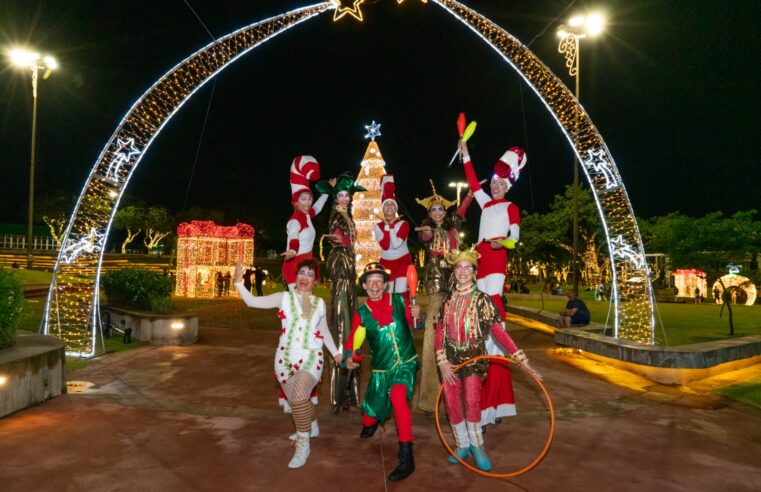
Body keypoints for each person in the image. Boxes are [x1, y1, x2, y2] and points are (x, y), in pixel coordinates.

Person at [436, 246, 542, 471]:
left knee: (473, 401)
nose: (463, 271)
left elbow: (499, 332)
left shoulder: (482, 300)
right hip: (450, 363)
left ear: (474, 272)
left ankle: (477, 446)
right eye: (459, 267)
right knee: (452, 404)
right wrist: (442, 361)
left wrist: (522, 359)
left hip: (474, 361)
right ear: (454, 271)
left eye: (468, 268)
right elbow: (440, 332)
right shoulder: (447, 300)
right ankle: (463, 445)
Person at [234, 259, 342, 469]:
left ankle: (303, 444)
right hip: (284, 359)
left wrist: (336, 353)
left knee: (300, 395)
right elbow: (253, 302)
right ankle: (312, 424)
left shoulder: (319, 303)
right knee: (296, 402)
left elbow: (324, 331)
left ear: (315, 281)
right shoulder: (283, 298)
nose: (305, 277)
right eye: (302, 272)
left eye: (310, 274)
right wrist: (239, 283)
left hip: (312, 357)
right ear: (296, 276)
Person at [460, 139, 527, 427]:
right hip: (480, 258)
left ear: (508, 185)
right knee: (478, 317)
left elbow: (515, 236)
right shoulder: (485, 203)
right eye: (494, 182)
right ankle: (483, 402)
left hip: (496, 256)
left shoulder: (511, 206)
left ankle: (491, 407)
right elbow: (473, 182)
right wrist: (465, 154)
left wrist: (505, 244)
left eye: (501, 183)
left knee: (493, 316)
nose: (495, 186)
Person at [345, 262, 421, 481]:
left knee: (398, 397)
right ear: (365, 286)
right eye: (370, 281)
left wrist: (418, 314)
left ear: (386, 284)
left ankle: (407, 455)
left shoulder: (399, 301)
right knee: (371, 415)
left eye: (379, 280)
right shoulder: (362, 314)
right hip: (380, 371)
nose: (375, 285)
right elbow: (354, 343)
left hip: (406, 363)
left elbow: (416, 325)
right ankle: (372, 421)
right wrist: (351, 358)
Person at [414, 180, 472, 414]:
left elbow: (462, 211)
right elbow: (426, 237)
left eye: (440, 209)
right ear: (429, 213)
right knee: (433, 339)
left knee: (459, 339)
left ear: (444, 211)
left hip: (458, 286)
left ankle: (459, 398)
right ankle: (430, 400)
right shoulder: (428, 230)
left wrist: (470, 195)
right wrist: (427, 233)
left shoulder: (453, 226)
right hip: (438, 289)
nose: (437, 212)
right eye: (433, 210)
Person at [315, 171, 367, 413]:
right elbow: (334, 234)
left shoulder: (348, 215)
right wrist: (335, 239)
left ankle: (349, 392)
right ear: (335, 199)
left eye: (347, 195)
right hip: (341, 268)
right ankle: (340, 393)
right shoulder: (337, 215)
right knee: (342, 324)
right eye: (341, 195)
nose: (345, 199)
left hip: (348, 270)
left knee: (351, 324)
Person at [281, 156, 330, 291]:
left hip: (306, 263)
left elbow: (317, 207)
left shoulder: (307, 215)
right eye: (303, 199)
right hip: (295, 264)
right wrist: (292, 250)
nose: (308, 203)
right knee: (298, 304)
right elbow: (294, 236)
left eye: (309, 199)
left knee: (306, 303)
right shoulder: (295, 221)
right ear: (296, 203)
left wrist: (326, 192)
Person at [374, 174, 412, 297]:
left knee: (400, 293)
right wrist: (387, 226)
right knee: (387, 294)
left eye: (391, 205)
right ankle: (387, 316)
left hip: (402, 261)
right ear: (383, 208)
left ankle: (401, 315)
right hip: (386, 262)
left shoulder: (403, 224)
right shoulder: (378, 226)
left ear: (395, 208)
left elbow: (395, 244)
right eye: (386, 205)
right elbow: (385, 246)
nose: (389, 207)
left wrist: (390, 226)